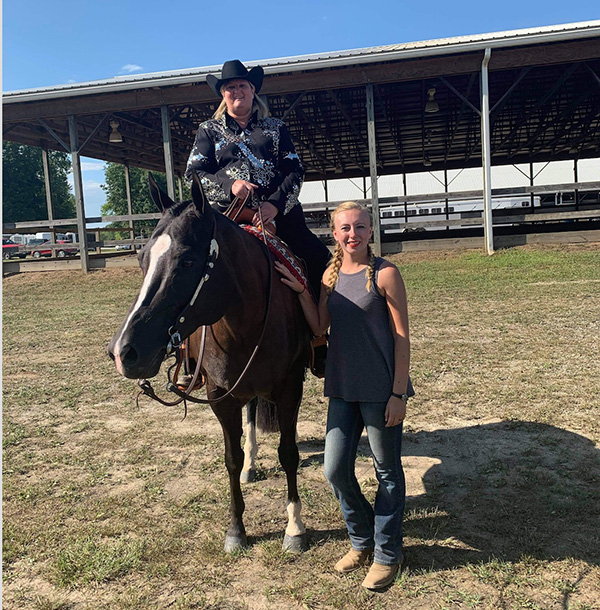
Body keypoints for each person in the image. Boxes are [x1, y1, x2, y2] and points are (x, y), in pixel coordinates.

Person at [275, 201, 414, 591]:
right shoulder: (329, 277)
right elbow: (320, 326)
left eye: (360, 227)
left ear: (371, 230)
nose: (353, 234)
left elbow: (402, 337)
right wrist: (304, 291)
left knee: (387, 472)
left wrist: (398, 393)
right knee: (334, 469)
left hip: (380, 387)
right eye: (345, 229)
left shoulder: (386, 274)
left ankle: (387, 553)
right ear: (334, 235)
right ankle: (362, 538)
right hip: (342, 386)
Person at [185, 59, 331, 296]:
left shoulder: (275, 128)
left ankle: (322, 324)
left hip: (279, 215)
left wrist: (274, 205)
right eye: (230, 88)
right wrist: (230, 186)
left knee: (321, 261)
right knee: (186, 264)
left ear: (253, 90)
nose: (237, 91)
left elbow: (295, 170)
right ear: (223, 94)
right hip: (227, 216)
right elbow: (194, 174)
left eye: (242, 85)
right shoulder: (208, 130)